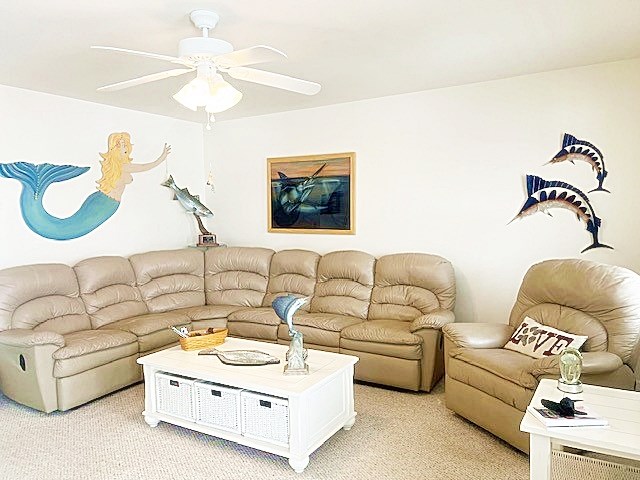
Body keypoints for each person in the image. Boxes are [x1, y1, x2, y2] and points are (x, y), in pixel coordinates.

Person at [0, 132, 170, 240]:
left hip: (101, 201)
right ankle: (34, 187)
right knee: (62, 230)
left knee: (64, 228)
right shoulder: (122, 166)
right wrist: (162, 158)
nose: (125, 148)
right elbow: (145, 167)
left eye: (126, 144)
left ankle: (34, 187)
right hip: (104, 204)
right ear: (114, 149)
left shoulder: (117, 166)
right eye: (121, 145)